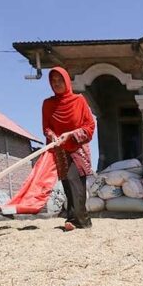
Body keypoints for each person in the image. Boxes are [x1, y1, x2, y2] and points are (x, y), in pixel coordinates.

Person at [42, 67, 96, 230]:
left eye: (60, 80)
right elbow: (46, 128)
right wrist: (52, 136)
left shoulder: (79, 101)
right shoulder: (48, 104)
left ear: (67, 81)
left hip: (77, 148)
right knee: (67, 184)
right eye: (54, 81)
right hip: (60, 149)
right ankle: (75, 220)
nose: (57, 84)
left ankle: (81, 220)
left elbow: (90, 125)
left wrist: (71, 134)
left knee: (77, 184)